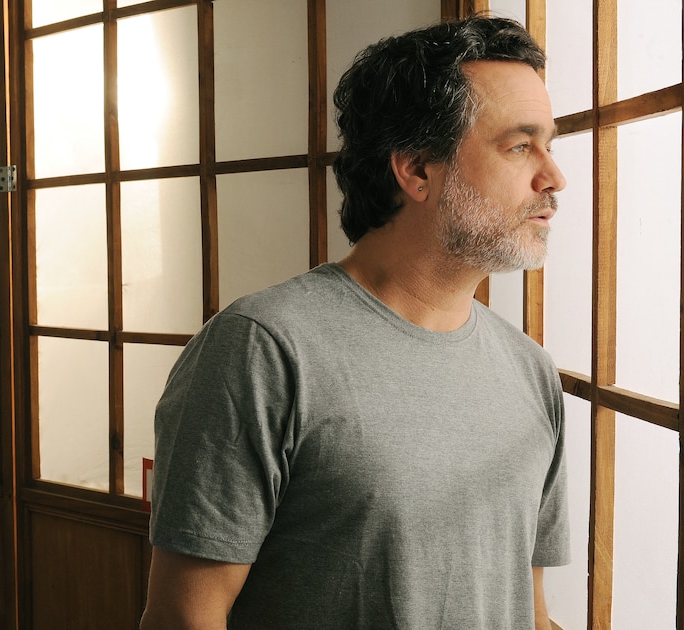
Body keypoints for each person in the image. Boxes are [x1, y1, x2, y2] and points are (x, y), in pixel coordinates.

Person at [140, 15, 569, 630]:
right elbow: (184, 619)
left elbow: (528, 611)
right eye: (520, 146)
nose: (554, 177)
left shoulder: (530, 370)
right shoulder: (262, 349)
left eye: (550, 145)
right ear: (416, 169)